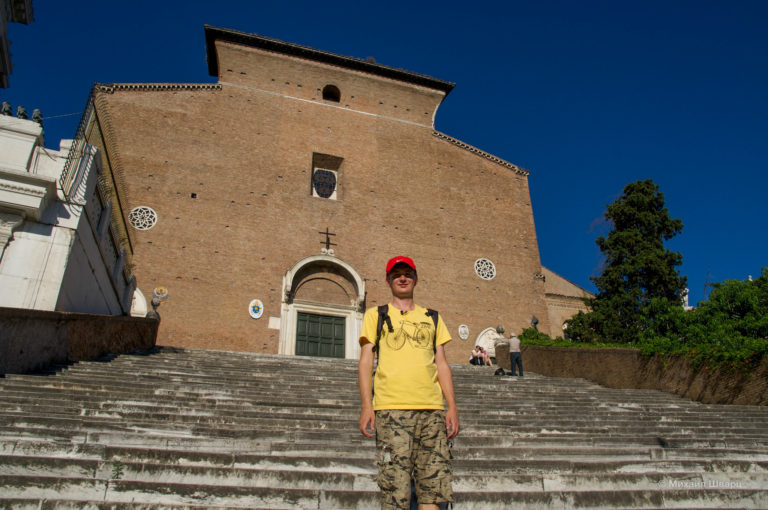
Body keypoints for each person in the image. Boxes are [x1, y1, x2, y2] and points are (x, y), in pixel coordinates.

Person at [358, 256, 460, 510]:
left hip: (432, 412)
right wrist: (366, 406)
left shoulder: (433, 317)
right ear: (388, 280)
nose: (402, 278)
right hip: (391, 410)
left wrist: (452, 408)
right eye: (396, 274)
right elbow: (365, 361)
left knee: (433, 492)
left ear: (416, 278)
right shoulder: (376, 315)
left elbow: (442, 364)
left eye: (407, 273)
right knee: (395, 492)